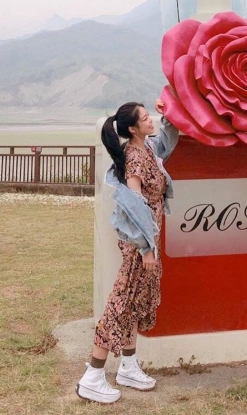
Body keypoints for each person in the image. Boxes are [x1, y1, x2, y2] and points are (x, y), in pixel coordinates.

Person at [76, 98, 178, 404]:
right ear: (133, 128)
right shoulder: (134, 158)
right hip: (138, 246)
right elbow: (135, 207)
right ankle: (93, 376)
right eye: (145, 118)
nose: (151, 120)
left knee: (134, 304)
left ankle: (128, 366)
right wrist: (146, 249)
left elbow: (167, 142)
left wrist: (169, 114)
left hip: (147, 243)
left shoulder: (147, 148)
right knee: (120, 305)